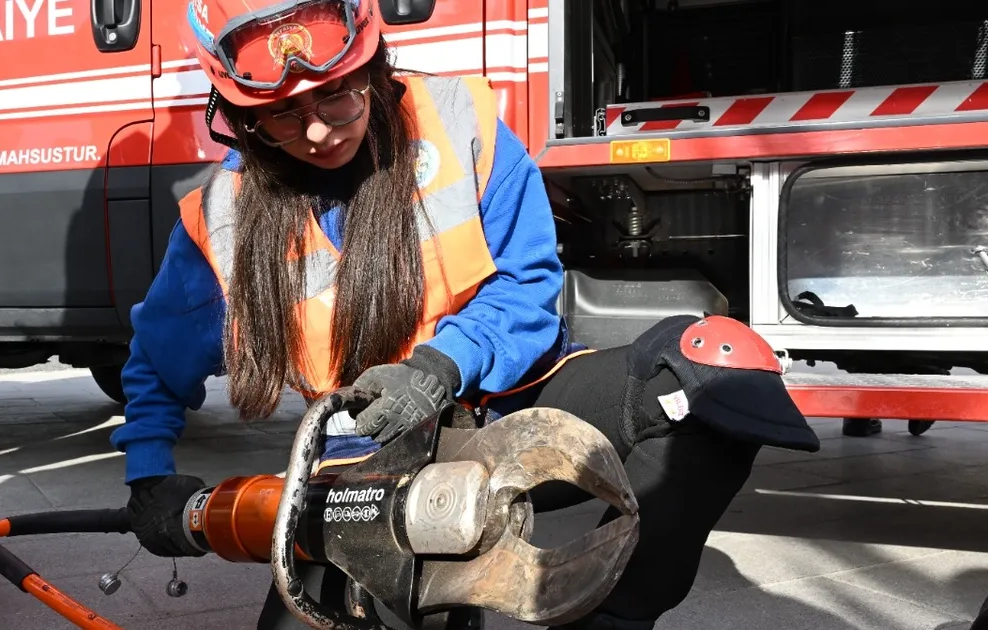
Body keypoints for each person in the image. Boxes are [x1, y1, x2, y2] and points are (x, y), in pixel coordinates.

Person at [110, 1, 823, 628]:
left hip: (513, 412)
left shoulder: (459, 124)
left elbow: (526, 285)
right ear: (238, 118)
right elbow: (154, 364)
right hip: (370, 466)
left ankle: (612, 618)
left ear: (372, 65)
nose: (321, 131)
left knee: (714, 368)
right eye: (280, 118)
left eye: (336, 98)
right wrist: (148, 480)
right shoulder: (221, 221)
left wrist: (442, 364)